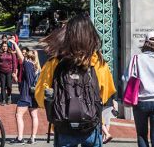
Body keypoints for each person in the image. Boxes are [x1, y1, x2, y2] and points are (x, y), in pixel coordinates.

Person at [35, 14, 116, 147]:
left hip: (63, 125)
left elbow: (40, 96)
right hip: (91, 125)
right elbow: (106, 93)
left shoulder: (55, 62)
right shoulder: (98, 62)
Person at [9, 42, 39, 144]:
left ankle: (20, 138)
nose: (25, 57)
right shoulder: (37, 68)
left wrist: (14, 43)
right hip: (34, 94)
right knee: (34, 115)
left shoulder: (27, 64)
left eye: (26, 56)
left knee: (18, 115)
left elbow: (20, 56)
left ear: (29, 57)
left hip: (26, 94)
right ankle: (33, 137)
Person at [0, 41, 17, 105]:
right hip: (1, 72)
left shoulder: (11, 53)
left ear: (8, 47)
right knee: (3, 86)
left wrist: (14, 71)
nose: (4, 47)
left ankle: (9, 96)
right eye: (3, 46)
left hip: (9, 71)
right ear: (1, 47)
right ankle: (3, 99)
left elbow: (15, 63)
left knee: (9, 86)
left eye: (5, 46)